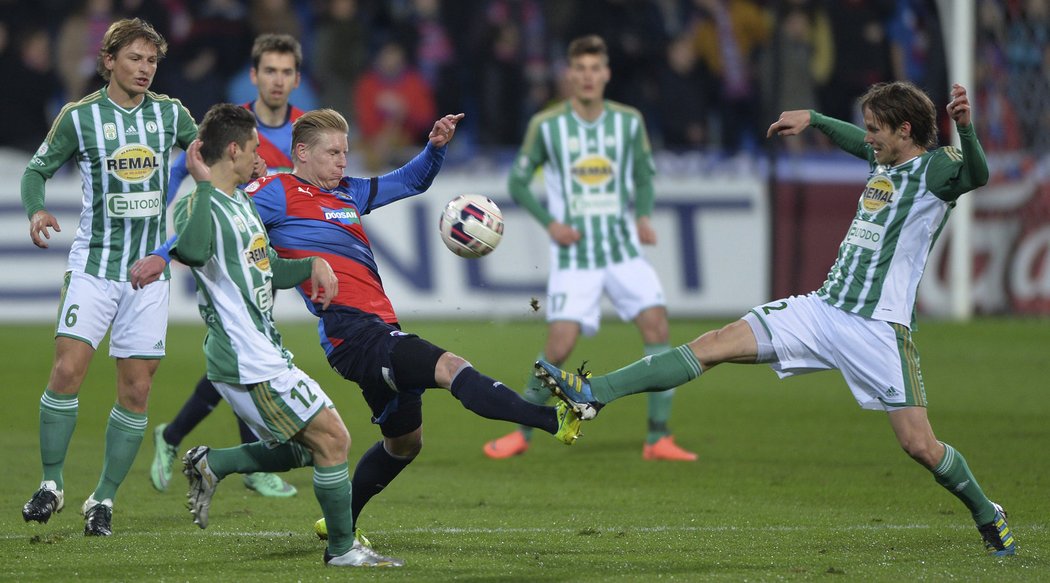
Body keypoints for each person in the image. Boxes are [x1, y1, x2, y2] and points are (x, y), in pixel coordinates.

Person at [534, 82, 1018, 557]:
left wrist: (967, 130)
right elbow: (855, 141)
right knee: (716, 342)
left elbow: (978, 175)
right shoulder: (882, 160)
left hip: (878, 329)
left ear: (905, 130)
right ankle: (592, 394)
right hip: (822, 310)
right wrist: (816, 119)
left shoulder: (937, 168)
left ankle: (985, 511)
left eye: (875, 129)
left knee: (920, 445)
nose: (867, 137)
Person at [246, 108, 583, 548]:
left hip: (375, 329)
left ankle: (339, 521)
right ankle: (553, 417)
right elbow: (226, 219)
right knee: (449, 366)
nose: (343, 161)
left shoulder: (347, 192)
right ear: (302, 153)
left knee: (405, 443)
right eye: (333, 153)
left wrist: (434, 148)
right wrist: (168, 253)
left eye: (345, 152)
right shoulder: (276, 192)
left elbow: (408, 181)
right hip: (353, 332)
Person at [170, 103, 396, 567]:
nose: (260, 158)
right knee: (333, 439)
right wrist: (203, 185)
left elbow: (267, 265)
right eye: (254, 148)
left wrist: (312, 263)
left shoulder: (239, 204)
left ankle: (214, 463)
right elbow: (191, 252)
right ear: (233, 150)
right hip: (242, 356)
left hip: (265, 346)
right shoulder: (202, 202)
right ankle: (341, 550)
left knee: (308, 447)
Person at [19, 18, 197, 536]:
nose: (145, 69)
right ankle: (52, 483)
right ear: (110, 61)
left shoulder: (169, 114)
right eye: (136, 59)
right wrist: (35, 210)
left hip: (148, 273)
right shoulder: (80, 117)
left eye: (152, 61)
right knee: (68, 371)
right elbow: (36, 170)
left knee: (137, 390)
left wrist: (240, 169)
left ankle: (104, 499)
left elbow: (207, 151)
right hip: (93, 267)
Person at [482, 34, 697, 462]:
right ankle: (522, 431)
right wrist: (552, 224)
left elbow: (643, 176)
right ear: (569, 74)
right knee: (559, 346)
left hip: (622, 251)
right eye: (579, 69)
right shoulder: (547, 126)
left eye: (595, 68)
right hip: (575, 256)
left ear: (606, 74)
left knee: (658, 331)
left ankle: (658, 438)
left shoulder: (628, 121)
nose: (587, 77)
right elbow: (518, 182)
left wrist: (643, 216)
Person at [143, 32, 307, 499]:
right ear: (254, 75)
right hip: (225, 247)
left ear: (297, 79)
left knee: (240, 357)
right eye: (269, 71)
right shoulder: (234, 129)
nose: (277, 81)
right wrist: (167, 239)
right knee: (245, 352)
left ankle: (173, 436)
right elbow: (191, 172)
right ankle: (252, 462)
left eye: (286, 72)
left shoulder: (303, 133)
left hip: (265, 252)